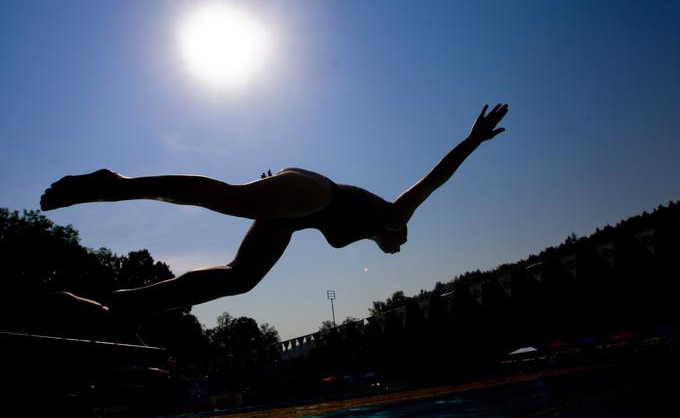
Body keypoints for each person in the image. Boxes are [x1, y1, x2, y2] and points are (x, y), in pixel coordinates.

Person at [41, 104, 508, 318]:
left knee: (240, 278)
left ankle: (127, 304)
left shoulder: (370, 230)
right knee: (226, 198)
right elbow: (434, 180)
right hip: (313, 193)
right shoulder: (393, 218)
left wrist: (274, 194)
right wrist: (471, 141)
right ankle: (116, 185)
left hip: (296, 212)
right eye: (399, 245)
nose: (396, 248)